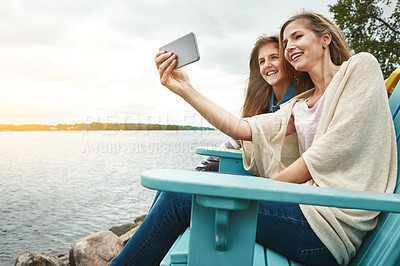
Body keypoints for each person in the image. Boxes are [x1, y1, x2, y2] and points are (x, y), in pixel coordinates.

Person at [111, 11, 397, 266]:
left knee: (180, 196)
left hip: (328, 229)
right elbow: (240, 128)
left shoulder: (359, 68)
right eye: (285, 43)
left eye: (297, 36)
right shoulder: (300, 105)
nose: (289, 48)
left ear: (325, 39)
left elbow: (328, 152)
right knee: (178, 187)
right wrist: (185, 89)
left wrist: (257, 191)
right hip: (305, 207)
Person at [195, 35, 308, 171]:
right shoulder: (261, 101)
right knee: (171, 190)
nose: (267, 64)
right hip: (257, 169)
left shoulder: (303, 100)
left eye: (274, 57)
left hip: (284, 175)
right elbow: (239, 139)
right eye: (261, 61)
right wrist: (206, 163)